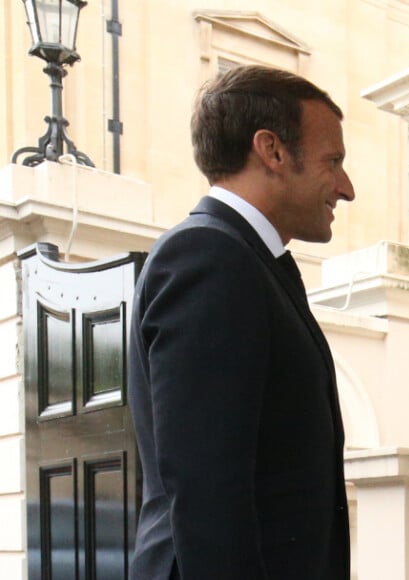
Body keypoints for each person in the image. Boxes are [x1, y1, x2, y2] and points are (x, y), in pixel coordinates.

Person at [128, 64, 355, 580]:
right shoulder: (208, 257)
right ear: (272, 150)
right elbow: (207, 491)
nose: (346, 187)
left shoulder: (251, 261)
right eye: (333, 161)